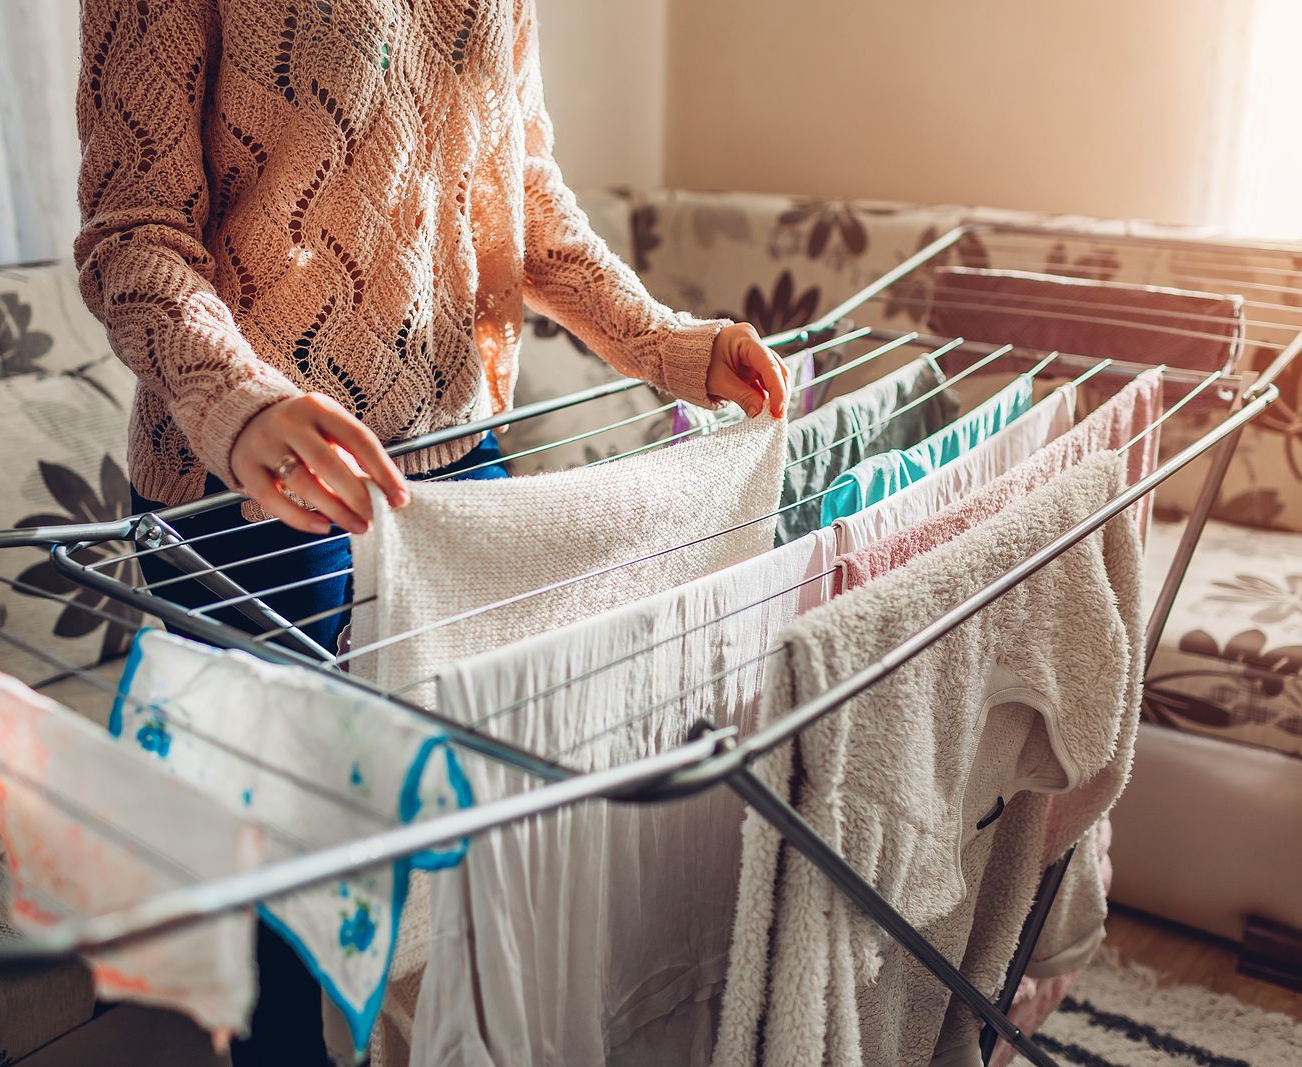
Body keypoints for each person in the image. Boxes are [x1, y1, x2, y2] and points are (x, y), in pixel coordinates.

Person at [74, 0, 789, 1059]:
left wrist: (665, 343)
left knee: (476, 873)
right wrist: (239, 401)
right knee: (302, 934)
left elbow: (522, 194)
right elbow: (132, 235)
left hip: (460, 476)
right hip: (260, 496)